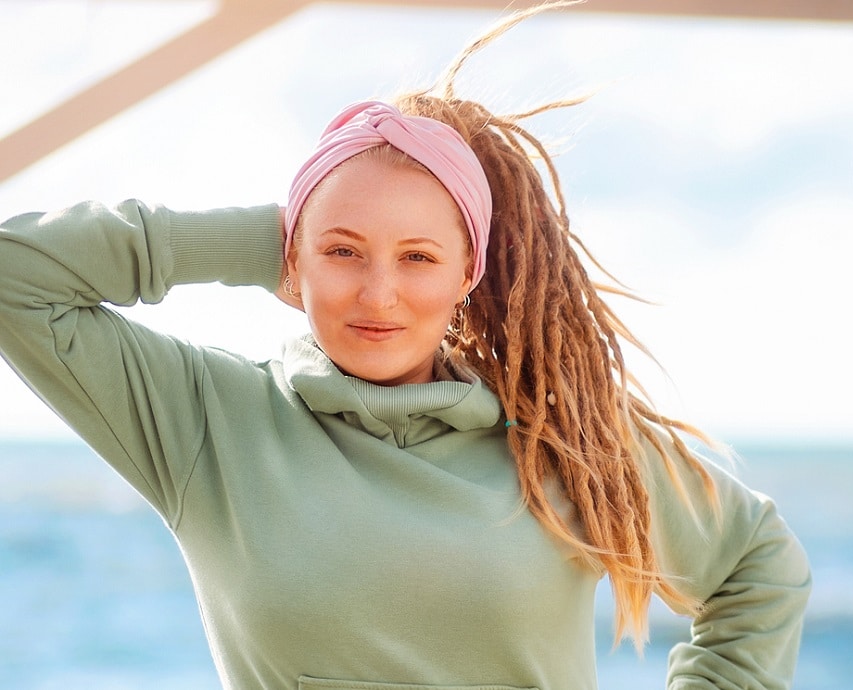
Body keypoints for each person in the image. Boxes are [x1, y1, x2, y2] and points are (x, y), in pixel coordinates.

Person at [0, 2, 810, 689]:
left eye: (418, 258)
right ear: (294, 260)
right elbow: (15, 275)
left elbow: (759, 569)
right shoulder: (207, 420)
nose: (378, 294)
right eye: (343, 252)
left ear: (470, 272)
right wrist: (267, 239)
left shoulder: (563, 438)